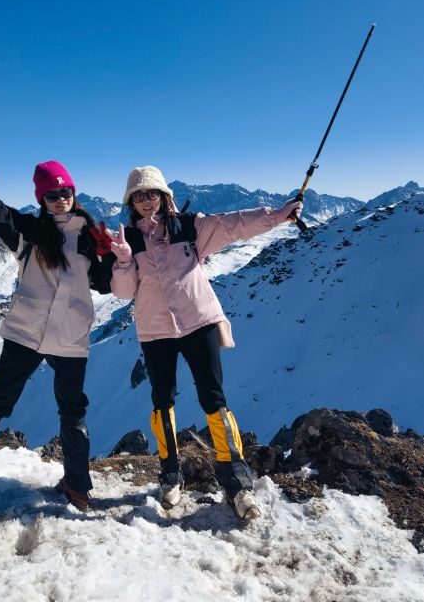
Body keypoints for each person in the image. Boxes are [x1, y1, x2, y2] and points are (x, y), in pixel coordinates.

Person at [0, 133, 111, 514]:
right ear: (41, 199)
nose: (60, 199)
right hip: (26, 334)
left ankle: (78, 487)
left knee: (73, 413)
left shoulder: (89, 237)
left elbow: (105, 284)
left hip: (69, 338)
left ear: (74, 191)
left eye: (65, 191)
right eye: (52, 194)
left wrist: (110, 256)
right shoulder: (29, 231)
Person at [107, 166, 303, 521]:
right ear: (131, 202)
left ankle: (237, 483)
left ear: (163, 195)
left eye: (151, 193)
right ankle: (170, 476)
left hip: (198, 323)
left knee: (214, 399)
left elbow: (233, 224)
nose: (146, 200)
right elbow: (124, 292)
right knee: (162, 402)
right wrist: (122, 260)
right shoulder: (129, 240)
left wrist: (277, 216)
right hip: (156, 331)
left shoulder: (189, 226)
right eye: (138, 196)